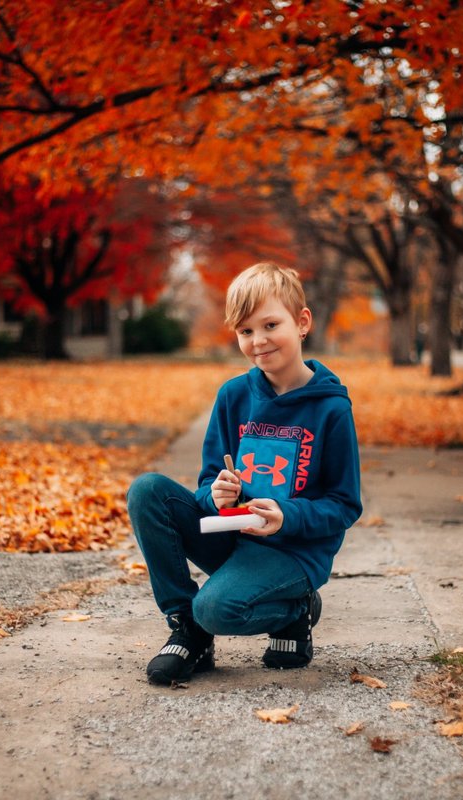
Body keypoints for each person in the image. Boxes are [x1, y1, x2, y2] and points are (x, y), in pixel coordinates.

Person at [126, 261, 362, 685]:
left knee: (215, 608)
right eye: (246, 331)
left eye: (270, 325)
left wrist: (287, 516)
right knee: (147, 491)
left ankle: (297, 609)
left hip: (293, 552)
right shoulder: (233, 396)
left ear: (302, 322)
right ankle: (188, 629)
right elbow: (208, 483)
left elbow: (344, 504)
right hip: (233, 535)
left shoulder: (331, 408)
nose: (258, 341)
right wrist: (215, 494)